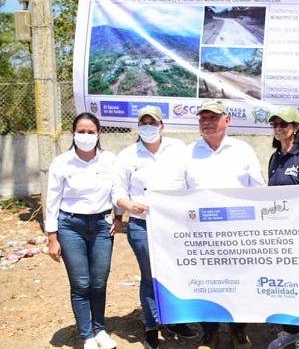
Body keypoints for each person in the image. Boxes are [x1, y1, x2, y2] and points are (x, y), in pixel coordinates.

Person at [113, 106, 197, 349]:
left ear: (162, 126)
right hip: (142, 225)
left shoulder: (179, 150)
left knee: (177, 272)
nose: (148, 127)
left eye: (153, 123)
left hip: (175, 225)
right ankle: (151, 324)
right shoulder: (128, 156)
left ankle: (175, 319)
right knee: (151, 276)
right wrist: (130, 205)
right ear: (138, 127)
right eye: (144, 123)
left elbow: (191, 183)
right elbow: (117, 191)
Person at [184, 99, 266, 349]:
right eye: (203, 118)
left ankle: (238, 331)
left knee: (237, 284)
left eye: (213, 117)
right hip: (201, 235)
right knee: (205, 283)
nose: (206, 122)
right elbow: (177, 192)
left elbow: (259, 189)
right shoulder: (187, 152)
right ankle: (210, 333)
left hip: (236, 235)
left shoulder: (243, 150)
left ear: (227, 120)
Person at [45, 112, 121, 349]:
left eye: (91, 132)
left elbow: (118, 191)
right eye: (81, 131)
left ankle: (100, 330)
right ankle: (87, 335)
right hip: (71, 227)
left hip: (101, 226)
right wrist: (52, 238)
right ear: (73, 133)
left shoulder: (110, 160)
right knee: (81, 283)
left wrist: (118, 217)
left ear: (99, 134)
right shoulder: (61, 162)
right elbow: (52, 201)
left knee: (99, 282)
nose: (86, 136)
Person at [265, 106, 299, 349]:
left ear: (296, 128)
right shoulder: (275, 157)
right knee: (285, 284)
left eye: (284, 124)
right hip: (280, 234)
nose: (278, 128)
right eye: (275, 124)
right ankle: (290, 330)